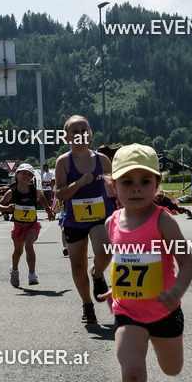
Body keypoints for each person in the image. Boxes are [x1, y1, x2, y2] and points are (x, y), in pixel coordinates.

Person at [105, 144, 192, 382]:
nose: (136, 189)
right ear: (113, 186)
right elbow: (124, 262)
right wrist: (113, 287)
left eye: (145, 181)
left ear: (157, 184)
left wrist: (176, 291)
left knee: (172, 369)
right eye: (127, 182)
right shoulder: (112, 222)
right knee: (131, 374)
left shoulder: (163, 221)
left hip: (165, 313)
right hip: (127, 313)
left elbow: (187, 263)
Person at [54, 115, 114, 324]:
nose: (80, 134)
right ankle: (87, 304)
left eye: (83, 130)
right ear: (67, 137)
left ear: (90, 134)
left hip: (100, 215)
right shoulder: (63, 162)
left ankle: (97, 274)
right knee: (78, 266)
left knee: (105, 250)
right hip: (74, 219)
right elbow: (60, 194)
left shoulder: (102, 160)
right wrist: (78, 183)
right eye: (75, 131)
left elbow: (114, 188)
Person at [0, 163, 55, 286]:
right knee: (18, 252)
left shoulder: (34, 191)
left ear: (32, 178)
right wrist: (7, 208)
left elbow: (42, 199)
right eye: (24, 173)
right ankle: (14, 270)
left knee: (29, 245)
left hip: (32, 225)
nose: (26, 177)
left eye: (29, 175)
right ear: (16, 175)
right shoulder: (12, 192)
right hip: (19, 227)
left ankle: (32, 273)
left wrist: (48, 210)